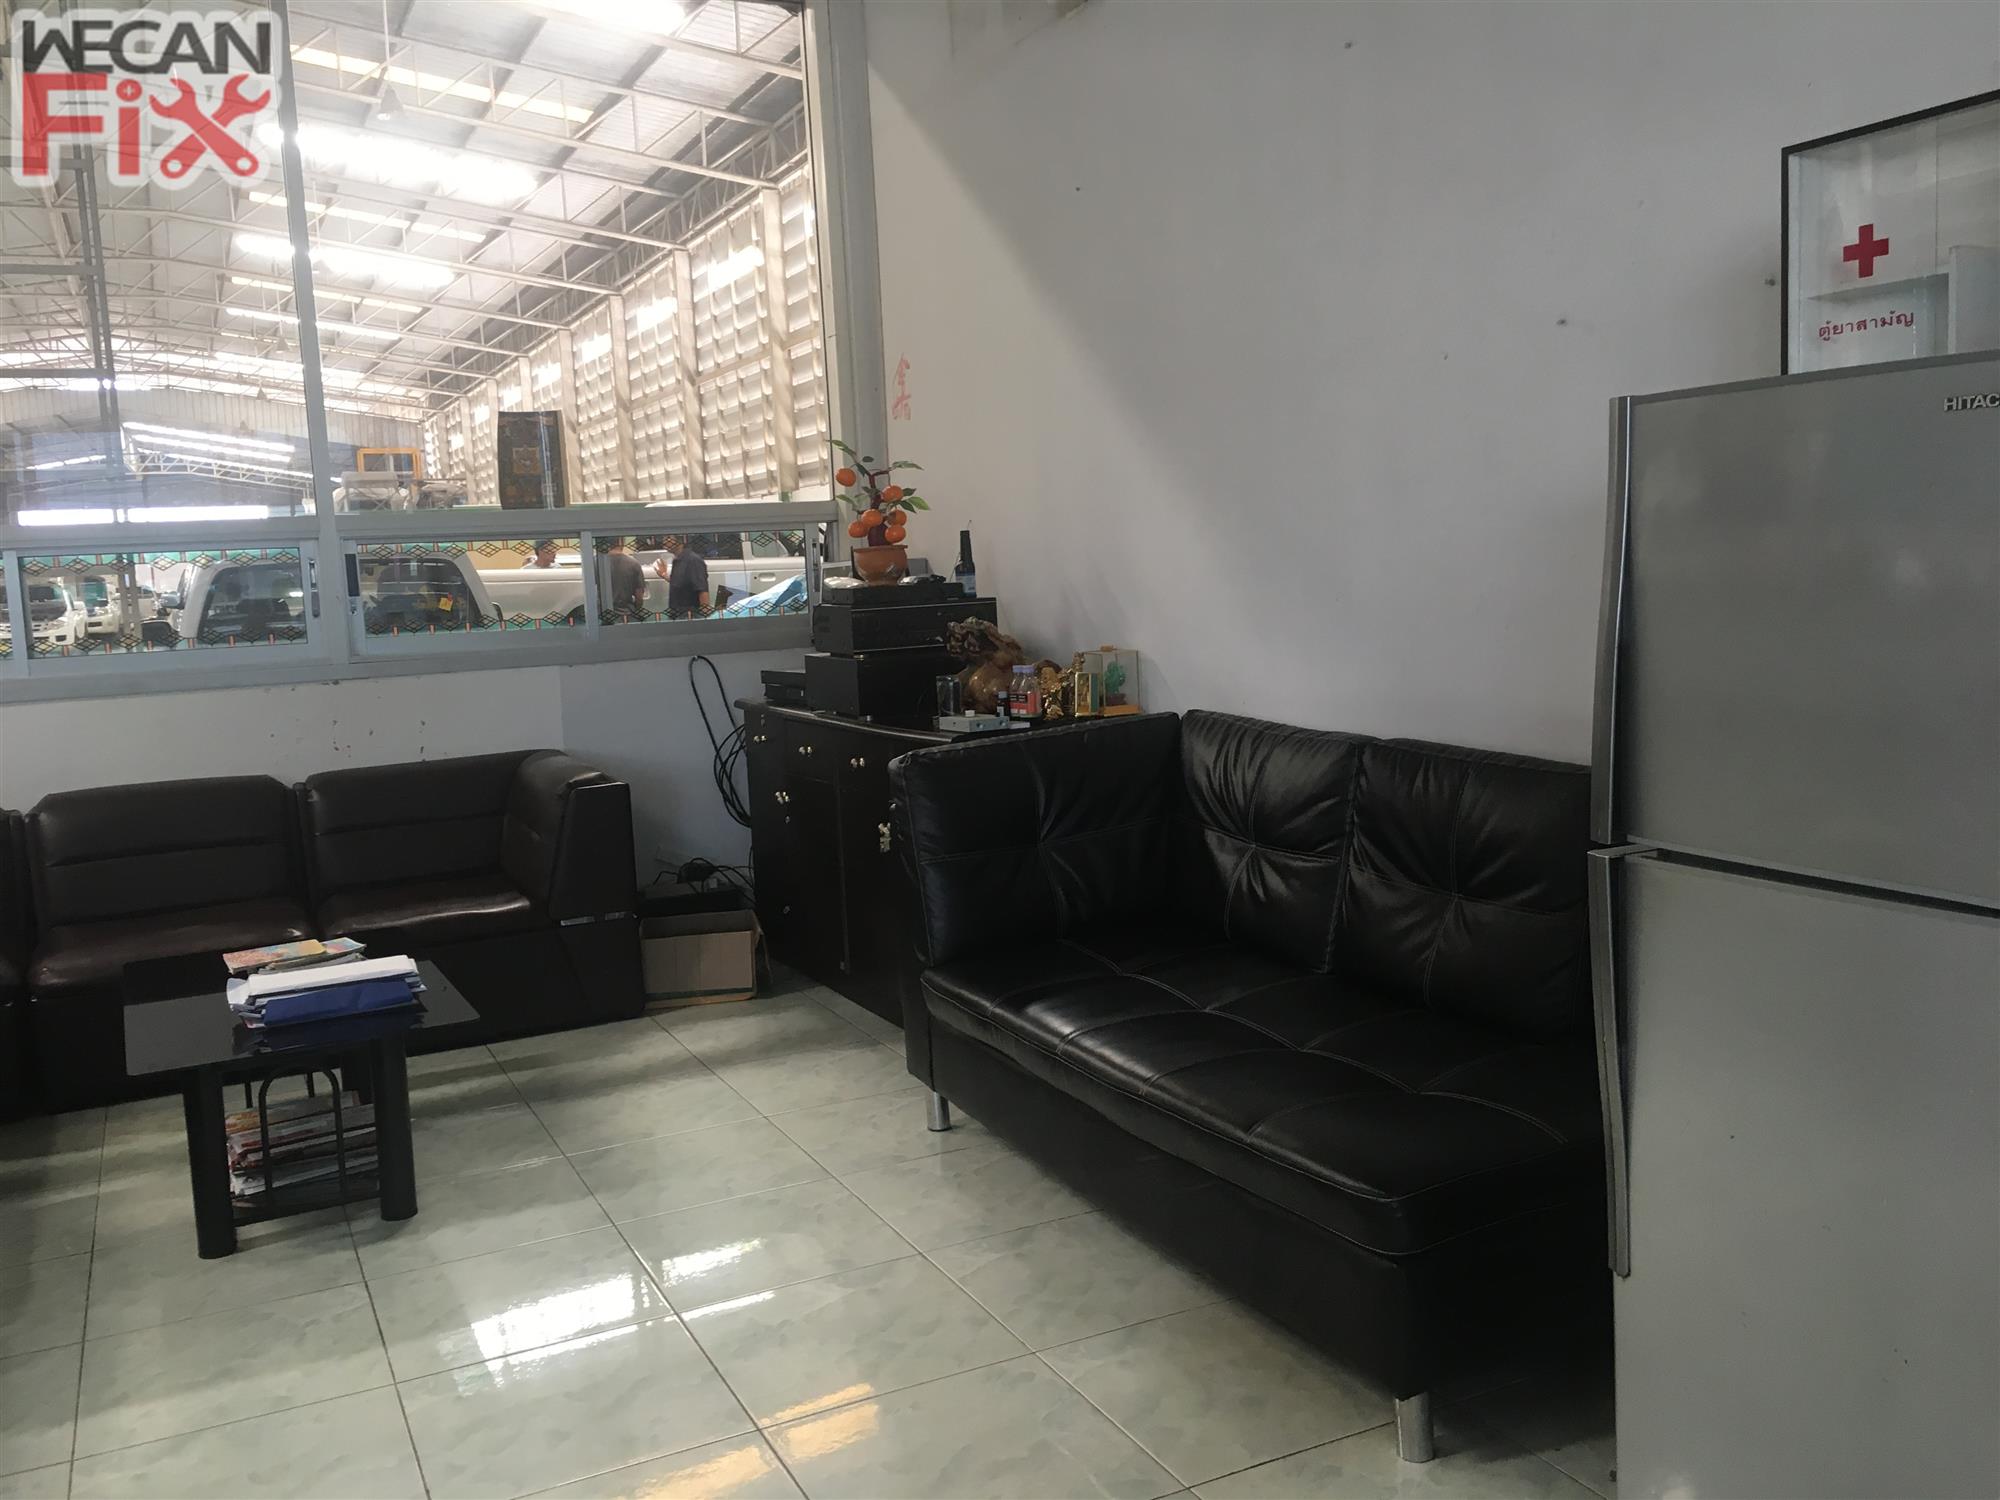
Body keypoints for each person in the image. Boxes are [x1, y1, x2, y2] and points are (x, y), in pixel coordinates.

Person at [660, 534, 710, 619]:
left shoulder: (693, 560)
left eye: (668, 538)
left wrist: (705, 618)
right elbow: (681, 584)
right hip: (677, 614)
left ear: (680, 541)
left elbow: (702, 590)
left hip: (690, 615)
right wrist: (664, 575)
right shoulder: (677, 560)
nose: (664, 542)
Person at [601, 538, 648, 619]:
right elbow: (639, 595)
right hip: (626, 615)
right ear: (622, 542)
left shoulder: (597, 563)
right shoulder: (633, 563)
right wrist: (636, 609)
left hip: (604, 615)